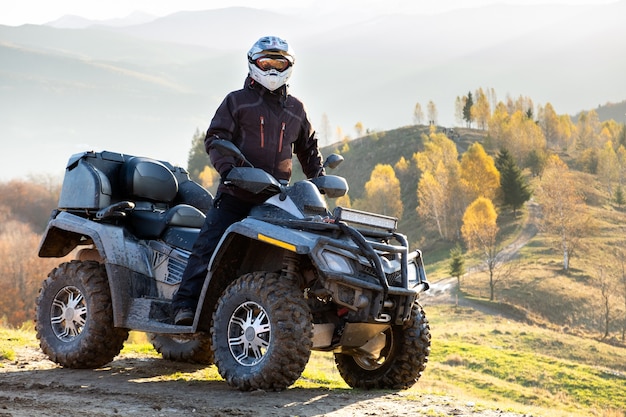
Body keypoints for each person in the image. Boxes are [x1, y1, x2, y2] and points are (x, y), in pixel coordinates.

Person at [172, 35, 326, 325]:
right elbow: (216, 138)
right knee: (209, 245)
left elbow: (308, 147)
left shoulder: (295, 109)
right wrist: (230, 170)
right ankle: (185, 305)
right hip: (237, 195)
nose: (271, 69)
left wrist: (318, 178)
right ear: (253, 63)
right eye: (265, 62)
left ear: (289, 66)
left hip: (278, 198)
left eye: (278, 63)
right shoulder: (236, 101)